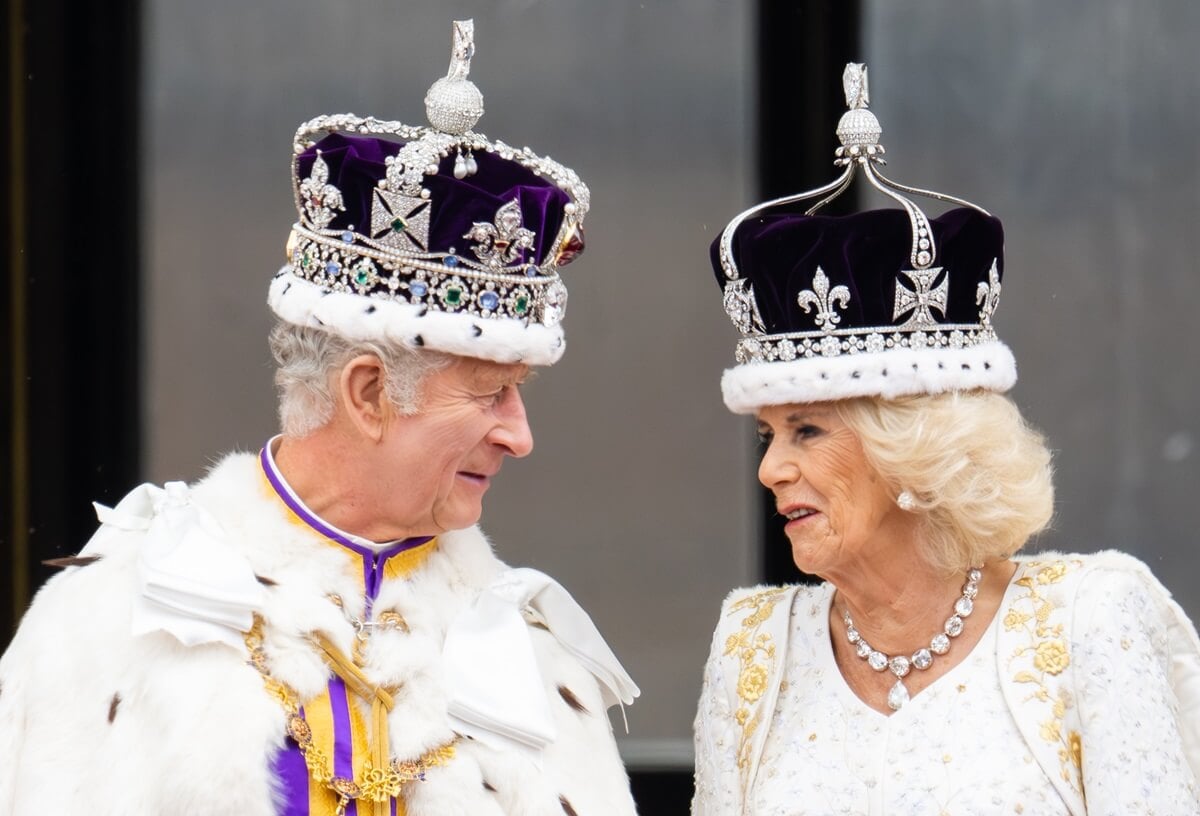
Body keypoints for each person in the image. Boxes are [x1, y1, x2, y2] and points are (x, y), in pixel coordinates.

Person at [0, 20, 639, 816]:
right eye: (488, 394)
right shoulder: (113, 616)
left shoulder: (530, 654)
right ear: (368, 393)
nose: (518, 434)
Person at [692, 63, 1200, 815]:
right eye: (769, 433)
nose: (771, 468)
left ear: (913, 447)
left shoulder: (1091, 618)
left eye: (807, 430)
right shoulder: (751, 647)